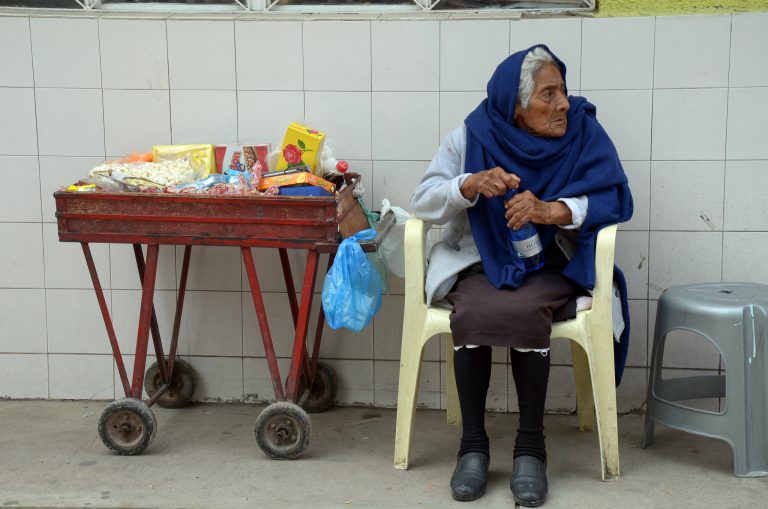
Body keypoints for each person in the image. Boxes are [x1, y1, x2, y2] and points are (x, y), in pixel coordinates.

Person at [410, 44, 633, 506]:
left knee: (527, 308)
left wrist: (554, 211)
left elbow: (615, 199)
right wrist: (467, 185)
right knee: (469, 309)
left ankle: (531, 447)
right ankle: (472, 446)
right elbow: (424, 199)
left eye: (563, 92)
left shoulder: (584, 133)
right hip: (483, 260)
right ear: (516, 104)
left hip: (557, 261)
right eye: (548, 95)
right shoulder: (472, 135)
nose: (563, 104)